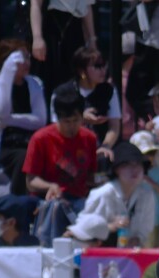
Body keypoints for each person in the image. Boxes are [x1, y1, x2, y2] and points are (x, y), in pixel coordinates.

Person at [23, 81, 97, 245]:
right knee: (56, 209)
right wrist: (50, 186)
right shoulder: (40, 139)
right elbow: (31, 181)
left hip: (80, 200)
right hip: (49, 201)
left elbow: (91, 175)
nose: (72, 126)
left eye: (76, 120)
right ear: (57, 117)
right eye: (67, 121)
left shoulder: (89, 138)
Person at [0, 39, 48, 205]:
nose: (27, 63)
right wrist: (8, 74)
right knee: (22, 157)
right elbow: (0, 108)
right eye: (21, 58)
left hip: (28, 141)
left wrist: (9, 120)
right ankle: (17, 204)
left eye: (28, 57)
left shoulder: (34, 83)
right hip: (2, 145)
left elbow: (40, 120)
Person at [70, 140, 159, 246]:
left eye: (138, 164)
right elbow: (82, 227)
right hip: (96, 254)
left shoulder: (146, 195)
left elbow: (146, 227)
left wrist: (137, 239)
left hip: (128, 255)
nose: (134, 169)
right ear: (117, 170)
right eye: (127, 165)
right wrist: (110, 226)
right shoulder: (102, 194)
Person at [54, 45, 121, 166]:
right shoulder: (62, 92)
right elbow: (55, 126)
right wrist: (80, 118)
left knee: (107, 159)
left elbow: (114, 127)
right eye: (97, 66)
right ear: (82, 71)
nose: (103, 70)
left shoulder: (109, 91)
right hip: (69, 146)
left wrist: (105, 146)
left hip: (100, 145)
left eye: (103, 65)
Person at [29, 0, 97, 101]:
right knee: (48, 76)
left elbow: (87, 7)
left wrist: (92, 40)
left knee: (73, 76)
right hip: (51, 25)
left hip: (74, 27)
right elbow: (35, 4)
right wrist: (37, 37)